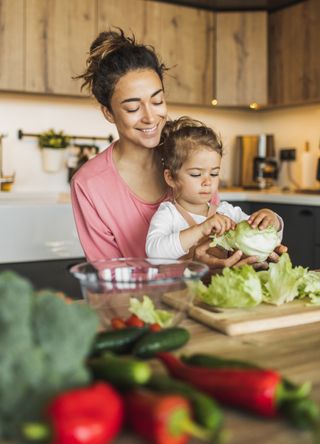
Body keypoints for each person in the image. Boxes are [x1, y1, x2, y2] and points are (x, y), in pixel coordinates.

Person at [71, 28, 285, 267]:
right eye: (133, 108)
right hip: (140, 303)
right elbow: (111, 279)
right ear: (108, 112)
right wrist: (191, 265)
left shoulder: (189, 156)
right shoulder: (89, 184)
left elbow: (218, 236)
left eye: (157, 100)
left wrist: (252, 246)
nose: (151, 117)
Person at [146, 117, 283, 263]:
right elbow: (154, 252)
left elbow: (262, 236)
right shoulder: (168, 214)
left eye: (214, 174)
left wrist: (272, 219)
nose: (207, 182)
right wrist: (201, 229)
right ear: (170, 178)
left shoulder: (226, 211)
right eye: (196, 174)